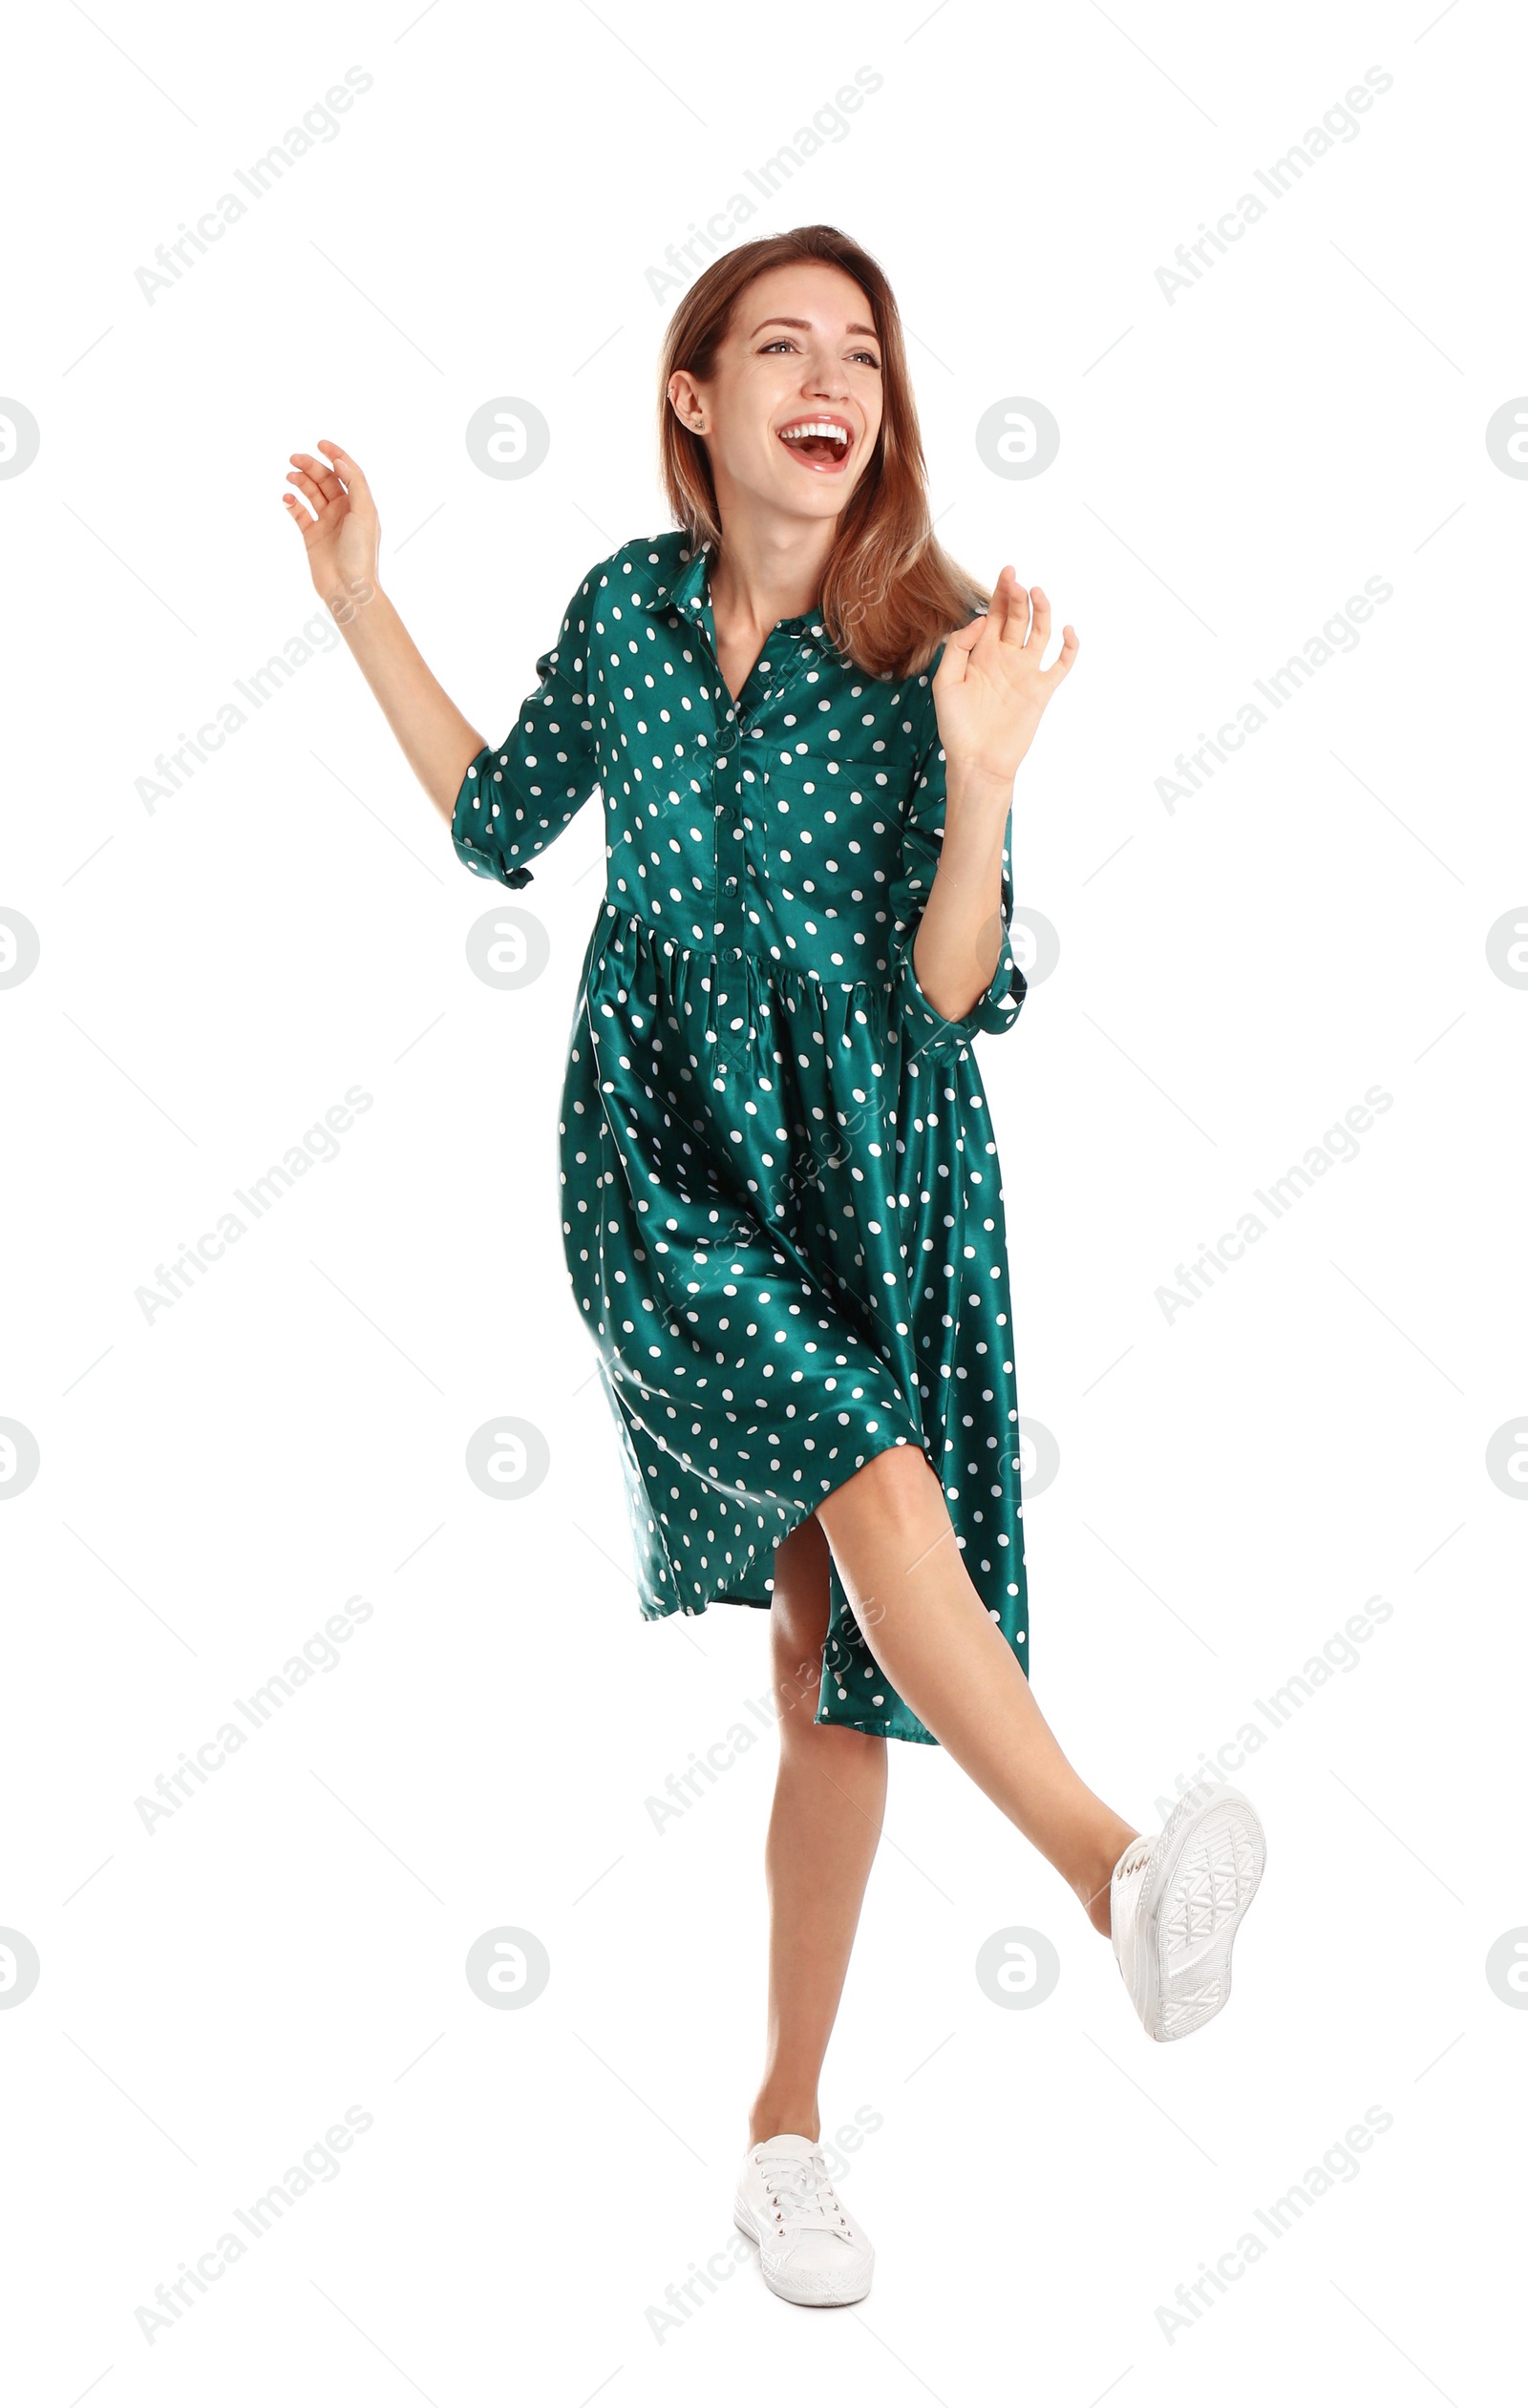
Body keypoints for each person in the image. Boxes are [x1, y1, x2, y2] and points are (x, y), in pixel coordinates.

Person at [282, 222, 1264, 2312]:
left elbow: (950, 993)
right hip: (657, 1168)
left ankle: (780, 2131)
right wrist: (365, 606)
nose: (832, 380)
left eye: (862, 355)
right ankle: (1116, 1870)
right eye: (781, 347)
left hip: (875, 1171)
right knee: (873, 1483)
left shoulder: (930, 643)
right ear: (695, 401)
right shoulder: (628, 618)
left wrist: (985, 784)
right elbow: (495, 819)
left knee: (830, 1668)